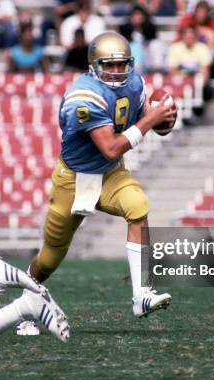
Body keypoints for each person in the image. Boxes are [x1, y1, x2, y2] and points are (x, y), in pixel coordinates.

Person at [18, 31, 176, 335]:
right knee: (50, 257)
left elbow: (144, 120)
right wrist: (151, 120)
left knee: (138, 205)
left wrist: (162, 119)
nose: (117, 71)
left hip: (109, 174)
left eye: (122, 65)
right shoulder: (83, 96)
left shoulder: (135, 82)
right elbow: (112, 146)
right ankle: (25, 303)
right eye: (109, 65)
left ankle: (141, 294)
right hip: (75, 179)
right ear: (93, 65)